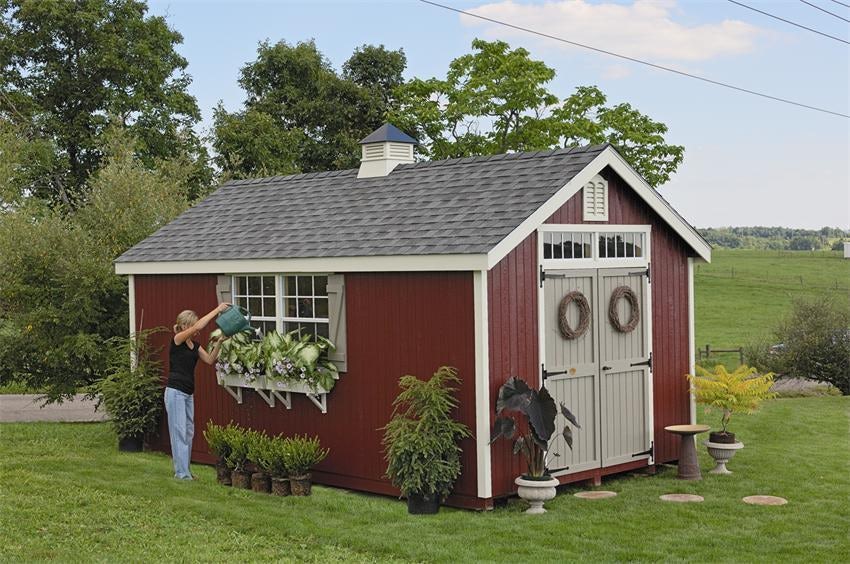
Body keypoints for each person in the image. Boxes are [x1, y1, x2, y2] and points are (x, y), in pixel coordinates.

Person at [165, 304, 229, 479]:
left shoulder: (194, 345)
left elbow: (209, 360)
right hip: (175, 392)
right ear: (185, 325)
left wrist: (220, 343)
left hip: (187, 393)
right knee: (179, 432)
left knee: (188, 432)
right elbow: (200, 326)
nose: (195, 328)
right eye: (191, 324)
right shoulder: (177, 339)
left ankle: (185, 471)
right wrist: (218, 310)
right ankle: (182, 474)